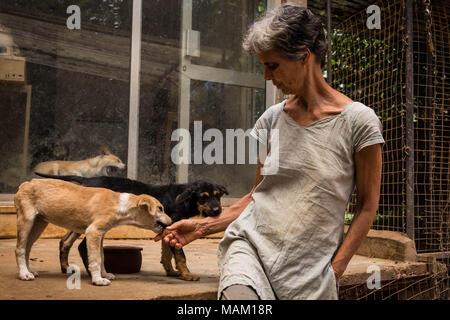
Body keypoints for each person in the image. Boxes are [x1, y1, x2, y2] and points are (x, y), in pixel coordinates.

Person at [155, 4, 384, 300]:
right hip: (250, 249)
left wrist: (334, 271)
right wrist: (202, 227)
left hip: (310, 271)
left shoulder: (359, 122)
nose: (266, 76)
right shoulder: (270, 120)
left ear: (304, 56)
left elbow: (367, 206)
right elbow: (257, 195)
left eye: (272, 65)